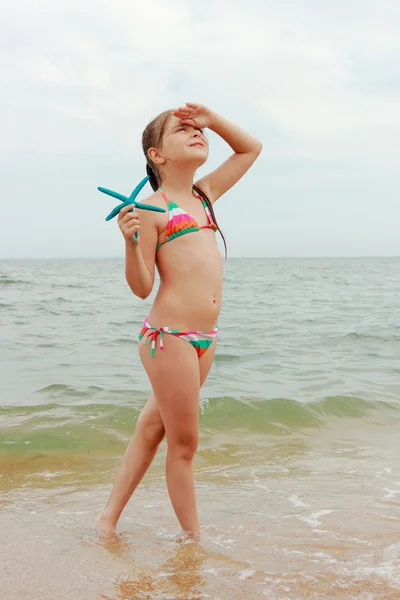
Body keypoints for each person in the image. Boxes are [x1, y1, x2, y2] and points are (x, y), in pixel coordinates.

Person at [97, 102, 262, 537]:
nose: (197, 134)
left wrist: (213, 120)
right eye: (182, 130)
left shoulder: (205, 195)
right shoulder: (153, 209)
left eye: (198, 130)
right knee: (184, 445)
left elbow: (250, 149)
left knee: (152, 429)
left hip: (205, 338)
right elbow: (141, 286)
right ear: (156, 154)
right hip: (168, 338)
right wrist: (132, 244)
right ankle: (194, 544)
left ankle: (107, 521)